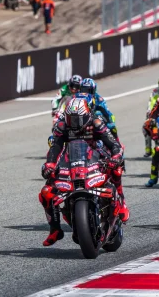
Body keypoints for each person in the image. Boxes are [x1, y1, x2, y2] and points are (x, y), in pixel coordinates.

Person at [40, 98, 126, 246]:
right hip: (71, 161)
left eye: (77, 119)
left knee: (116, 170)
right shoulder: (62, 126)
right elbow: (55, 148)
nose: (74, 123)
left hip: (96, 157)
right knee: (46, 191)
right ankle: (55, 229)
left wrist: (116, 156)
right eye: (71, 119)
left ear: (86, 115)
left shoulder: (96, 123)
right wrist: (50, 165)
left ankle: (122, 203)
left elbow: (113, 143)